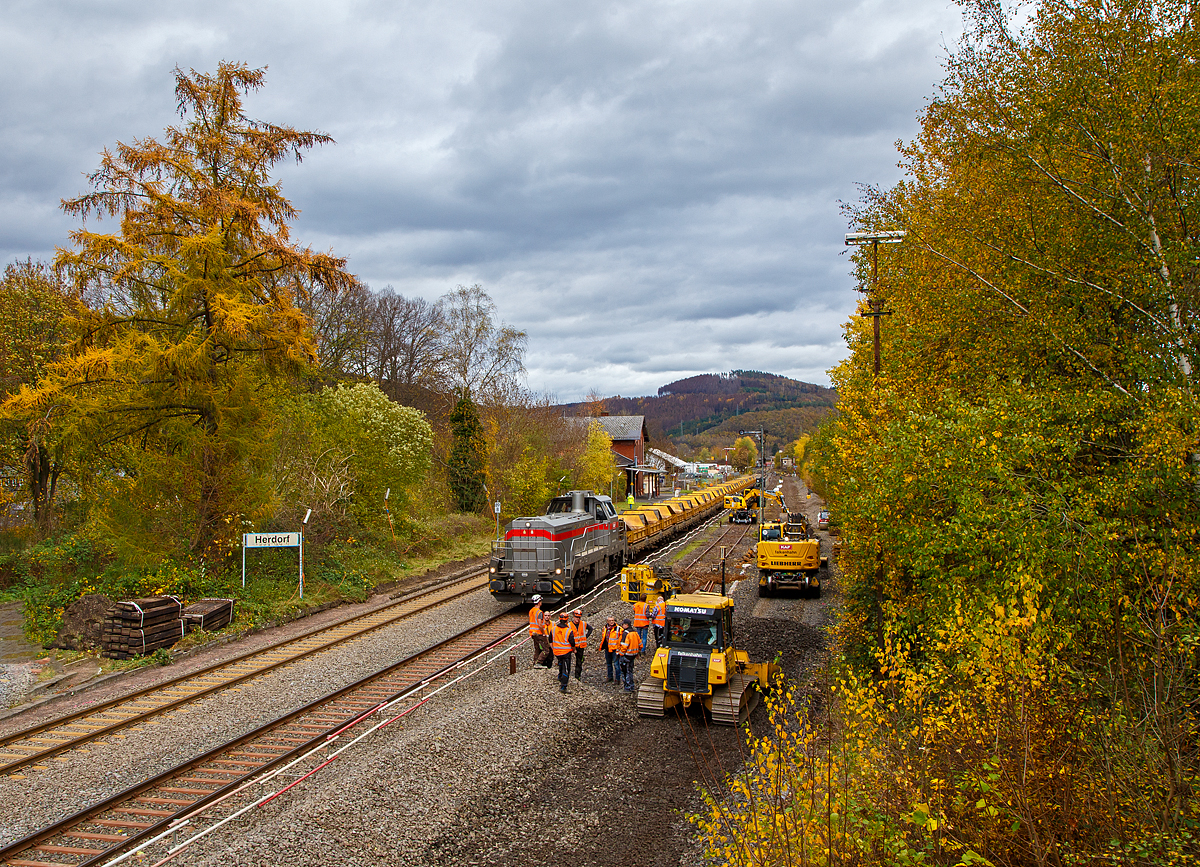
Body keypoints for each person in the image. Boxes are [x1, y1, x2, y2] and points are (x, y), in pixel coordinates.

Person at [549, 611, 577, 693]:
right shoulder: (568, 631)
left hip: (557, 652)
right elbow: (572, 642)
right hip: (566, 653)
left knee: (560, 663)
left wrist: (553, 648)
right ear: (567, 620)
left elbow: (550, 640)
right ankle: (563, 686)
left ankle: (560, 676)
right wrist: (574, 650)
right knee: (566, 668)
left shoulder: (553, 629)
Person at [619, 617, 642, 692]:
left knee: (625, 672)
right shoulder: (635, 633)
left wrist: (620, 654)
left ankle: (627, 687)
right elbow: (640, 644)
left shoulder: (626, 633)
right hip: (633, 655)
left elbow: (624, 646)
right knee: (630, 671)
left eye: (623, 624)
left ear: (626, 625)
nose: (622, 626)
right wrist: (637, 652)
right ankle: (631, 686)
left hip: (627, 655)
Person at [569, 608, 592, 681]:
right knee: (568, 660)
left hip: (581, 646)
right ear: (573, 617)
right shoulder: (569, 625)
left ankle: (577, 676)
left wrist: (585, 637)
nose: (577, 619)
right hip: (571, 646)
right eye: (576, 617)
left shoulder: (583, 624)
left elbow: (590, 629)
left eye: (579, 617)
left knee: (579, 662)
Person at [528, 595, 551, 668]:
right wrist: (543, 633)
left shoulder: (531, 611)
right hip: (539, 633)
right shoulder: (539, 612)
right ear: (539, 602)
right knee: (546, 649)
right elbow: (540, 624)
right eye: (540, 601)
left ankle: (535, 662)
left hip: (532, 633)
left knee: (537, 649)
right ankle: (539, 662)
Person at [597, 616, 621, 683]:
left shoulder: (618, 629)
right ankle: (610, 677)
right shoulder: (605, 628)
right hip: (607, 649)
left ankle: (617, 679)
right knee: (608, 664)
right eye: (610, 620)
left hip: (615, 649)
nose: (611, 622)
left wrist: (619, 649)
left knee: (616, 665)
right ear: (607, 621)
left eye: (612, 620)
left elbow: (621, 639)